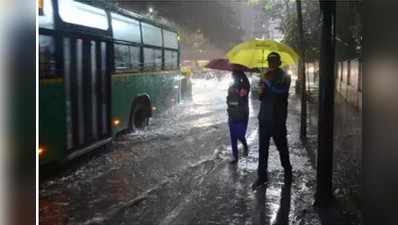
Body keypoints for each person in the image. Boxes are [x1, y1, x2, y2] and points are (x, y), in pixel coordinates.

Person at [252, 52, 292, 190]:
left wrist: (268, 82)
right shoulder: (265, 76)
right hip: (264, 119)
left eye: (273, 61)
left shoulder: (285, 76)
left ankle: (288, 171)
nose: (271, 63)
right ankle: (261, 176)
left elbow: (281, 92)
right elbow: (261, 98)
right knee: (263, 150)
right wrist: (261, 89)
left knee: (282, 148)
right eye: (269, 61)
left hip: (278, 120)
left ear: (278, 62)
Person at [226, 70, 250, 163]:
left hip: (241, 115)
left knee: (240, 134)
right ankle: (235, 156)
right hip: (232, 115)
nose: (234, 78)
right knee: (233, 136)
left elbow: (243, 96)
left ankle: (245, 144)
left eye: (235, 76)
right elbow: (228, 100)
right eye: (233, 76)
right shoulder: (231, 87)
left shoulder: (244, 88)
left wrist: (239, 94)